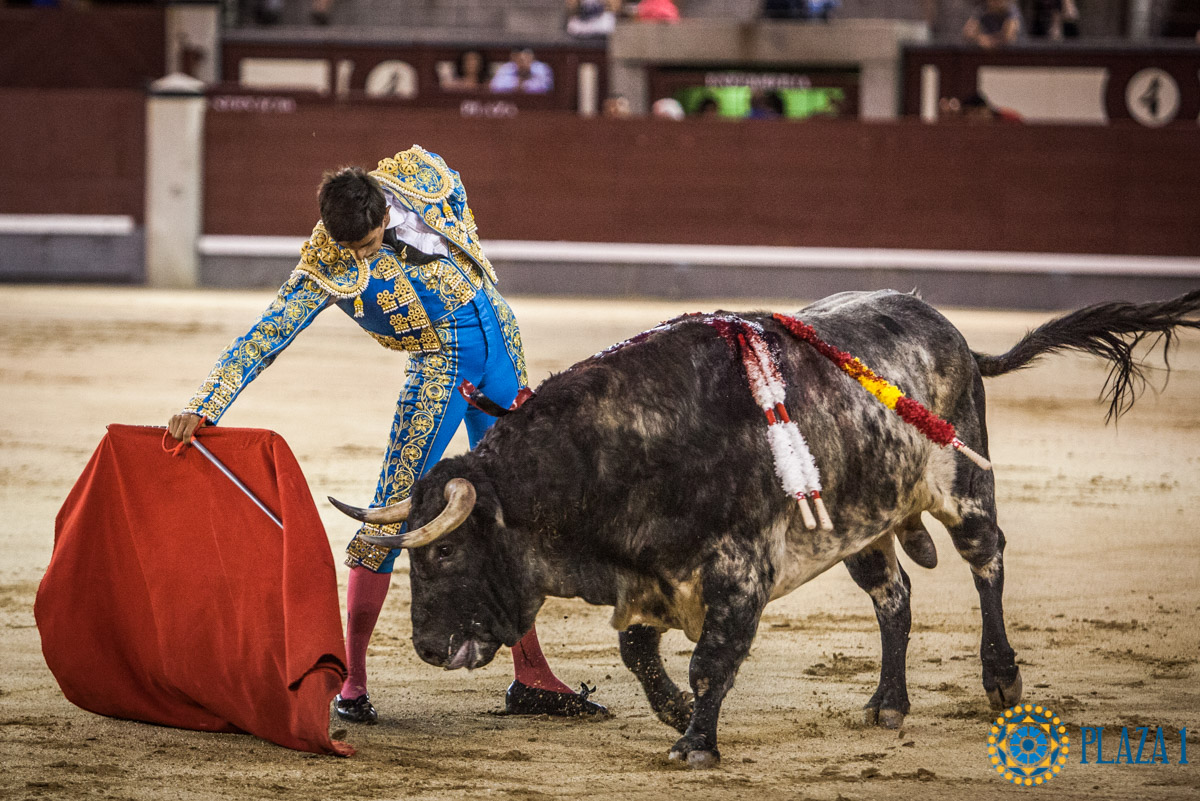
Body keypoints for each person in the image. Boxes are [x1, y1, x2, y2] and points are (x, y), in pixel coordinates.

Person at [167, 146, 605, 724]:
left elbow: (454, 189)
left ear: (382, 212)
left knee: (513, 514)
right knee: (389, 510)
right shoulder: (325, 264)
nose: (359, 257)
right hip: (440, 368)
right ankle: (351, 683)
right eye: (349, 249)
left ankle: (531, 675)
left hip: (502, 347)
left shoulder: (422, 178)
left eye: (368, 244)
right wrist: (205, 404)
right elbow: (264, 336)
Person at [489, 49, 554, 94]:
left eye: (526, 59)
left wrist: (525, 85)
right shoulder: (506, 68)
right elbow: (494, 86)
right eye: (519, 60)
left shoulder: (541, 68)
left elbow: (547, 87)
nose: (523, 63)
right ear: (513, 60)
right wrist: (515, 84)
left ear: (532, 59)